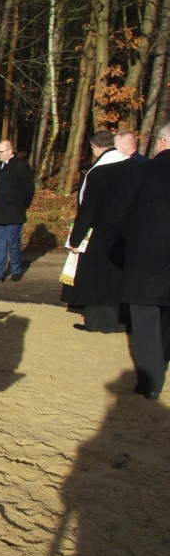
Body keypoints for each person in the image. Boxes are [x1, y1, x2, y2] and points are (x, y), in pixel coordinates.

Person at [60, 131, 133, 333]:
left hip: (99, 231)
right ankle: (115, 321)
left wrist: (75, 239)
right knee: (115, 276)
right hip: (126, 232)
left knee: (93, 277)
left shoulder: (97, 172)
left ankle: (94, 322)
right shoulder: (135, 167)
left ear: (94, 147)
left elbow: (87, 209)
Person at [119, 123, 170, 400]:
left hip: (147, 253)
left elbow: (121, 214)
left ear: (161, 141)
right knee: (164, 313)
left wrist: (133, 237)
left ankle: (151, 380)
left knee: (145, 313)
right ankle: (161, 362)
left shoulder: (143, 172)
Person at [0, 139, 34, 283]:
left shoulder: (21, 165)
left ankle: (15, 270)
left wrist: (23, 205)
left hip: (15, 211)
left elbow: (29, 188)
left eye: (0, 152)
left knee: (13, 242)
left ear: (9, 151)